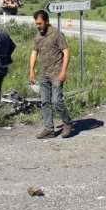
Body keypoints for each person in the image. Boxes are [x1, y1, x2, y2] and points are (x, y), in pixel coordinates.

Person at [28, 10, 73, 139]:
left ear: (47, 21)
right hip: (43, 74)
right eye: (36, 23)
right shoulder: (38, 36)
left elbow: (66, 52)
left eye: (40, 23)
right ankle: (49, 129)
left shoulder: (56, 34)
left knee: (56, 101)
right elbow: (34, 53)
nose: (38, 26)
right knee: (45, 102)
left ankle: (67, 122)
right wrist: (31, 70)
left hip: (56, 73)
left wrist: (64, 71)